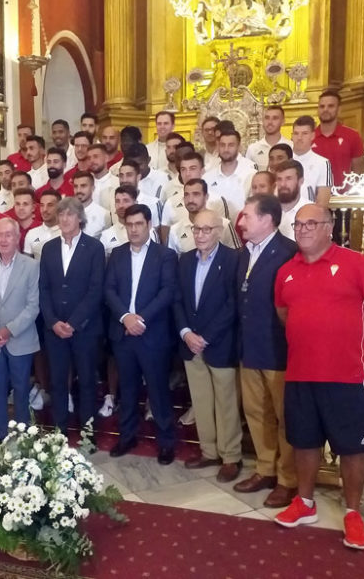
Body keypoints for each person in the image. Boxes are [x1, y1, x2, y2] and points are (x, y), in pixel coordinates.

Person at [274, 204, 364, 551]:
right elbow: (284, 312)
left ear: (329, 227)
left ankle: (352, 513)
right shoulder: (286, 272)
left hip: (347, 375)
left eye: (312, 223)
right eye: (298, 224)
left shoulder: (355, 263)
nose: (304, 229)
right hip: (300, 373)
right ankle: (305, 503)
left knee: (352, 448)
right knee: (304, 442)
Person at [234, 194, 298, 508]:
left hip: (279, 350)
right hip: (250, 348)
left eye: (246, 216)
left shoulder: (289, 252)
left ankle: (288, 479)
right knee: (256, 414)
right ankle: (265, 468)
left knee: (285, 418)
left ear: (267, 219)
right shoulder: (244, 253)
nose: (241, 222)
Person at [105, 204, 177, 464]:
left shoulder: (164, 255)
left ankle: (166, 442)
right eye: (130, 225)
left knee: (158, 390)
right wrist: (126, 317)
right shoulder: (117, 254)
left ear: (149, 225)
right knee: (128, 388)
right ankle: (127, 436)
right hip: (124, 332)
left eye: (139, 224)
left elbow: (167, 292)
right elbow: (109, 290)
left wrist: (140, 319)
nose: (134, 229)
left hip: (152, 333)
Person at [174, 209, 242, 482]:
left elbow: (232, 304)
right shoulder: (186, 260)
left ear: (219, 231)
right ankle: (209, 451)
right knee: (201, 401)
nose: (200, 235)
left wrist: (207, 336)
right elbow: (177, 299)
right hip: (190, 343)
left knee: (226, 402)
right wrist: (186, 332)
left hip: (219, 342)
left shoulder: (233, 259)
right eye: (196, 229)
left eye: (206, 229)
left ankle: (230, 457)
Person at [40, 197, 105, 436]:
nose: (64, 219)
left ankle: (88, 432)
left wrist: (74, 323)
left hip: (85, 328)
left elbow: (96, 289)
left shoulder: (94, 248)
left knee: (87, 381)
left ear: (80, 218)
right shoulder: (48, 248)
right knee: (57, 381)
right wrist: (53, 321)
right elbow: (43, 288)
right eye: (61, 215)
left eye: (69, 214)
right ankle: (60, 430)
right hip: (55, 328)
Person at [0, 218, 40, 441]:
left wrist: (8, 330)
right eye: (0, 235)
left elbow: (33, 306)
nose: (3, 240)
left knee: (22, 389)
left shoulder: (31, 266)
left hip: (20, 339)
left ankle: (24, 434)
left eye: (8, 235)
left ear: (17, 237)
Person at [167, 179, 240, 255]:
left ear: (206, 197)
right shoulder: (175, 230)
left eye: (196, 194)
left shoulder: (224, 224)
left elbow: (237, 255)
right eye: (186, 195)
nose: (190, 200)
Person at [202, 129, 258, 223]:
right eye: (222, 145)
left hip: (243, 230)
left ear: (239, 147)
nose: (226, 149)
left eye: (231, 145)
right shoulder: (207, 177)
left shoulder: (251, 175)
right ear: (218, 147)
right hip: (214, 231)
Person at [312, 89, 364, 183]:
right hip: (315, 195)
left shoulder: (352, 136)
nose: (325, 110)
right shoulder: (309, 137)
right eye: (322, 106)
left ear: (339, 110)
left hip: (343, 195)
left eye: (330, 106)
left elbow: (358, 172)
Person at [104, 159, 161, 226]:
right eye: (121, 176)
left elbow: (158, 233)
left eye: (129, 175)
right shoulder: (113, 200)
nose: (124, 180)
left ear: (138, 177)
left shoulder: (153, 203)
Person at [291, 116, 332, 207]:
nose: (299, 137)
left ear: (312, 135)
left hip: (309, 216)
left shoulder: (322, 163)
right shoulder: (284, 159)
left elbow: (323, 201)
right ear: (292, 136)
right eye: (296, 133)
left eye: (304, 133)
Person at [246, 106, 293, 171]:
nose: (270, 122)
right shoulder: (253, 149)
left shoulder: (291, 146)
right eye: (267, 118)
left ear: (283, 122)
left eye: (275, 118)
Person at [275, 160, 312, 241]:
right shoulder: (267, 209)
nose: (283, 184)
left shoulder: (313, 211)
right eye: (279, 179)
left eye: (288, 179)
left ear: (301, 181)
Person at [24, 189, 62, 260]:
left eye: (50, 205)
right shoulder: (31, 234)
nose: (45, 209)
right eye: (42, 205)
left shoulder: (68, 234)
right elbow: (27, 266)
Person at [73, 170, 111, 239]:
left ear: (93, 188)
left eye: (83, 186)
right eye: (75, 186)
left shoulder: (104, 214)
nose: (78, 190)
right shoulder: (66, 213)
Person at [88, 143, 119, 207]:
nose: (92, 160)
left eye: (95, 156)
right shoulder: (86, 183)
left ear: (106, 158)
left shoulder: (117, 183)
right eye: (89, 158)